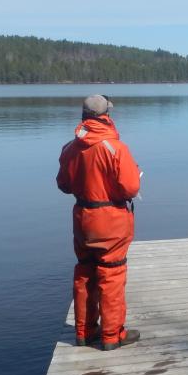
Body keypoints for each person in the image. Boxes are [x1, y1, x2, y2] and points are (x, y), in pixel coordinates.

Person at [56, 95, 142, 350]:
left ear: (84, 116)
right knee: (111, 275)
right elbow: (130, 187)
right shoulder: (115, 148)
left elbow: (63, 185)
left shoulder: (70, 148)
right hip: (110, 220)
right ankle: (111, 336)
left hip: (83, 218)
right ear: (106, 116)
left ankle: (83, 333)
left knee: (84, 272)